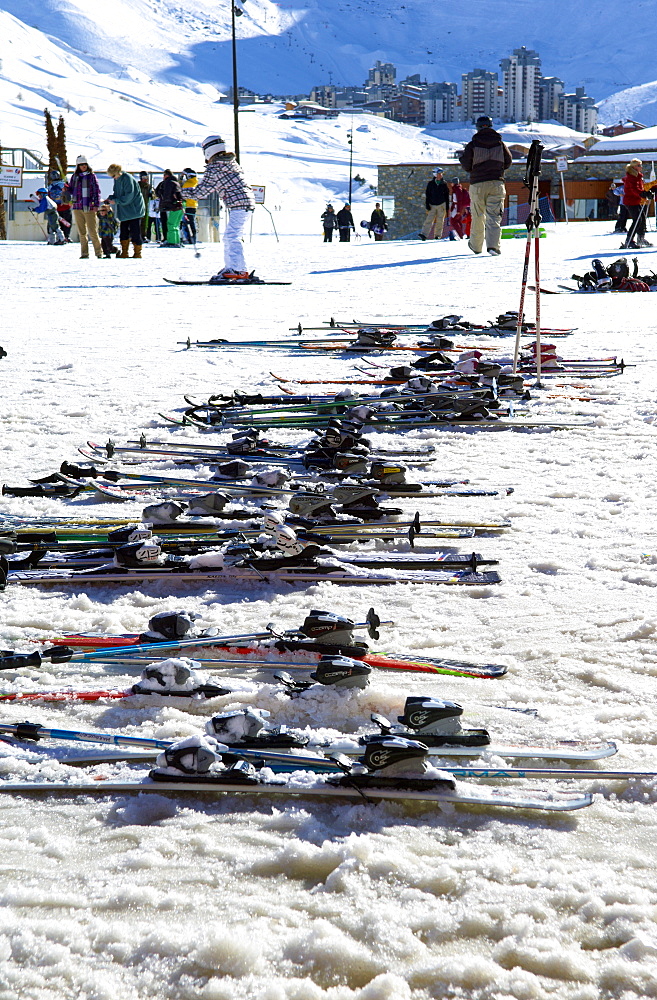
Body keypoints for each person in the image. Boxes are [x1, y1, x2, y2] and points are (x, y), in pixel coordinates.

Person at [193, 134, 256, 281]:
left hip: (239, 204)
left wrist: (180, 193)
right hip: (244, 202)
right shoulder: (229, 163)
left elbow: (202, 191)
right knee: (231, 236)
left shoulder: (215, 167)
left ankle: (237, 270)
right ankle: (233, 267)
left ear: (208, 151)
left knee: (232, 236)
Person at [458, 116, 512, 256]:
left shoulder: (473, 144)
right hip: (496, 182)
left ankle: (476, 246)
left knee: (477, 215)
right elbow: (508, 161)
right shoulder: (500, 143)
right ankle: (493, 246)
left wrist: (475, 171)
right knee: (494, 216)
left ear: (478, 127)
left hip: (478, 183)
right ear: (491, 126)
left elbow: (465, 164)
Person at [67, 154, 103, 259]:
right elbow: (71, 190)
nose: (83, 166)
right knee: (81, 232)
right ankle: (84, 253)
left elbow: (97, 191)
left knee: (92, 231)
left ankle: (98, 252)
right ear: (78, 166)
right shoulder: (75, 177)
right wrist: (66, 189)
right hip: (77, 207)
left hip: (89, 207)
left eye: (85, 164)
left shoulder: (91, 176)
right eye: (81, 165)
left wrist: (96, 204)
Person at [107, 164, 145, 258]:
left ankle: (137, 253)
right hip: (124, 211)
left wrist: (116, 201)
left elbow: (129, 196)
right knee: (123, 231)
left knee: (135, 231)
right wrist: (111, 198)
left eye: (113, 176)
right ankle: (124, 252)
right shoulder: (117, 180)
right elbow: (117, 193)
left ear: (118, 173)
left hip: (134, 210)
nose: (113, 178)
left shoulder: (127, 178)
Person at [623, 159, 654, 247]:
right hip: (630, 201)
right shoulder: (631, 177)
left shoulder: (637, 176)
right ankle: (629, 241)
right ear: (634, 167)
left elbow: (639, 188)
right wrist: (643, 194)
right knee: (637, 220)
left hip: (635, 200)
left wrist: (646, 192)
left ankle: (641, 239)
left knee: (642, 219)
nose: (641, 167)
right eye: (639, 165)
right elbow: (634, 189)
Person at [155, 169, 184, 247]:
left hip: (171, 207)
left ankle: (171, 241)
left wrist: (166, 206)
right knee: (176, 225)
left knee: (170, 224)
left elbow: (166, 196)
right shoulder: (176, 183)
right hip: (179, 206)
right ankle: (177, 240)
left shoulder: (167, 183)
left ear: (166, 175)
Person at [420, 168, 450, 240]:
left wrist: (447, 206)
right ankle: (424, 234)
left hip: (441, 204)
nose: (440, 175)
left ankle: (437, 235)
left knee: (440, 221)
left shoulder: (444, 184)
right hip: (432, 205)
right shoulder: (431, 184)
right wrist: (427, 204)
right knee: (429, 220)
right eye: (439, 174)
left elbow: (447, 195)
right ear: (435, 174)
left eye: (441, 174)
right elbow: (428, 194)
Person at [180, 169, 198, 244]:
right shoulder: (195, 182)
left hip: (188, 205)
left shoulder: (188, 183)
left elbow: (180, 190)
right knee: (191, 222)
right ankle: (192, 238)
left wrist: (180, 179)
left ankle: (190, 238)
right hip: (192, 205)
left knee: (188, 223)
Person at [138, 171, 154, 241]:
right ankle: (137, 235)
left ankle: (143, 235)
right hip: (138, 206)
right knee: (138, 221)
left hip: (146, 205)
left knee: (145, 222)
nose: (145, 179)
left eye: (147, 178)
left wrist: (152, 194)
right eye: (144, 178)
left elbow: (154, 195)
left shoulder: (149, 186)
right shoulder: (137, 185)